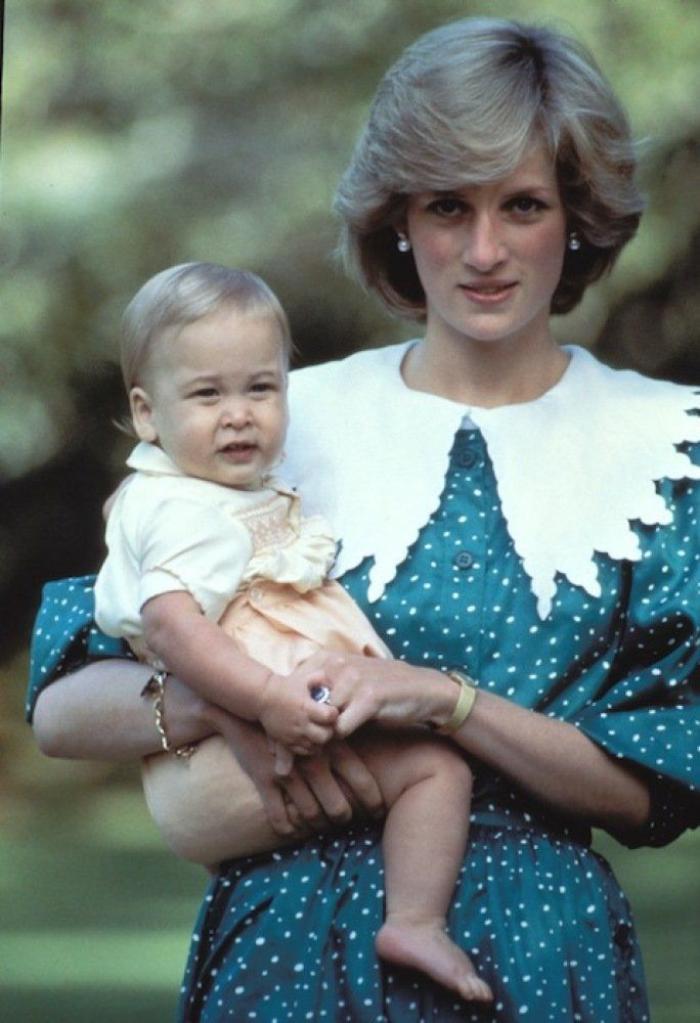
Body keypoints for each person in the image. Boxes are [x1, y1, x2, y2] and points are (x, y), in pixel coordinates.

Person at [28, 16, 699, 1023]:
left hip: (532, 953)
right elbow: (63, 708)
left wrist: (440, 701)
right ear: (396, 219)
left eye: (521, 205)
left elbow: (657, 791)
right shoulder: (269, 418)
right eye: (445, 206)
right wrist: (231, 704)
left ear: (579, 217)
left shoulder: (666, 450)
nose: (483, 249)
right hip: (281, 952)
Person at [92, 260, 491, 1002]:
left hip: (236, 753)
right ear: (148, 414)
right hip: (233, 752)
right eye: (207, 393)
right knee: (439, 770)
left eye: (261, 388)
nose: (239, 413)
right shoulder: (181, 509)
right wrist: (269, 697)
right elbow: (173, 630)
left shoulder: (218, 493)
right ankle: (414, 918)